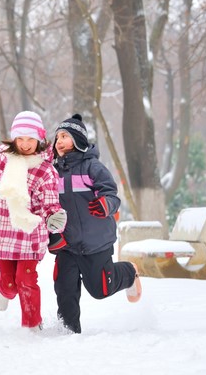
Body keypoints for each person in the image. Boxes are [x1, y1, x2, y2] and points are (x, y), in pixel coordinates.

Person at [0, 111, 67, 330]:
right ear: (14, 138)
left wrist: (54, 214)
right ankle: (2, 283)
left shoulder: (45, 170)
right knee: (10, 286)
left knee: (26, 281)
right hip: (2, 233)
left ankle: (32, 326)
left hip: (29, 236)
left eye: (31, 139)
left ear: (40, 139)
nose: (25, 144)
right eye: (21, 138)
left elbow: (49, 200)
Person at [51, 113, 142, 334]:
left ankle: (129, 272)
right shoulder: (51, 172)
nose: (59, 141)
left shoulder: (92, 166)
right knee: (64, 289)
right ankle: (68, 330)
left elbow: (111, 193)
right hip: (67, 244)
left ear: (78, 140)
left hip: (95, 241)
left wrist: (105, 204)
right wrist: (52, 234)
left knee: (101, 289)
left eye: (65, 136)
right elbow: (46, 205)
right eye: (57, 137)